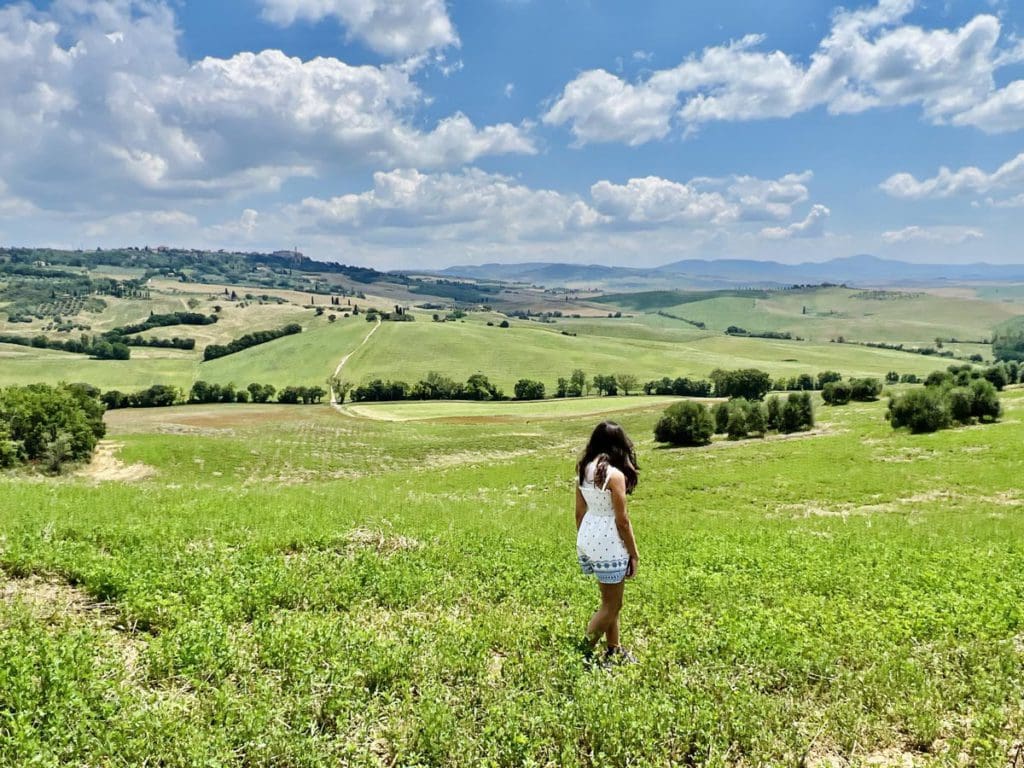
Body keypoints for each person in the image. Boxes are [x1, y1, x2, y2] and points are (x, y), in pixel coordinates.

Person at [575, 420, 640, 665]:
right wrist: (634, 553)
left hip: (589, 537)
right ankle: (581, 651)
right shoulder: (615, 475)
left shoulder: (584, 469)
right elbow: (622, 521)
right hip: (609, 541)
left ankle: (615, 650)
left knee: (609, 600)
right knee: (613, 605)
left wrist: (584, 539)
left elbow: (579, 512)